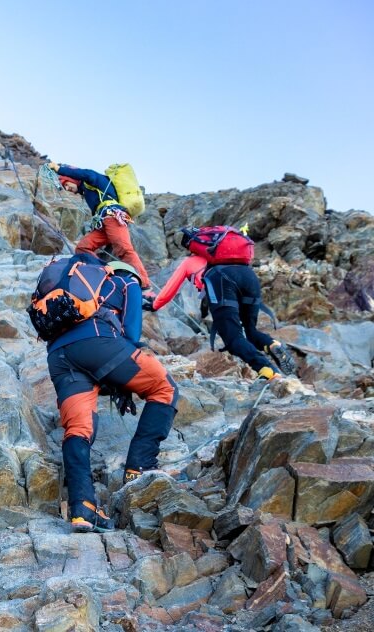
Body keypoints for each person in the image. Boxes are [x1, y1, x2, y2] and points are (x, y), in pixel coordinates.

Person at [44, 255, 178, 532]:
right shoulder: (126, 282)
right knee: (164, 388)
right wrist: (123, 383)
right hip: (98, 343)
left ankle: (83, 510)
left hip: (58, 356)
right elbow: (130, 333)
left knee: (78, 430)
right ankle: (140, 468)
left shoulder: (76, 288)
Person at [143, 229, 297, 381]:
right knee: (251, 331)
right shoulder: (231, 257)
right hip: (248, 276)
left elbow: (170, 289)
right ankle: (271, 344)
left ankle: (267, 370)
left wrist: (154, 305)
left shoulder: (189, 262)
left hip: (222, 281)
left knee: (233, 338)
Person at [48, 162, 152, 289]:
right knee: (82, 248)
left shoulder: (90, 180)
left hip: (112, 217)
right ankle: (105, 273)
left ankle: (144, 283)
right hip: (104, 223)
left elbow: (85, 173)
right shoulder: (87, 190)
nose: (67, 189)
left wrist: (59, 169)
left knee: (124, 249)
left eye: (66, 184)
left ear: (72, 178)